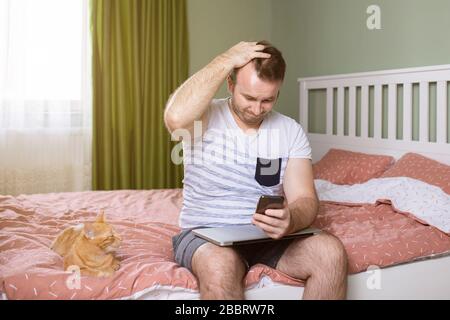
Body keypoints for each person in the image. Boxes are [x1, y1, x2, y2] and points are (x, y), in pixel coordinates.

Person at [164, 41, 348, 300]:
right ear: (231, 84)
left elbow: (305, 199)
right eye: (249, 97)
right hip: (206, 235)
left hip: (265, 238)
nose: (256, 109)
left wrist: (291, 219)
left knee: (330, 252)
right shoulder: (204, 117)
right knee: (220, 266)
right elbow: (174, 119)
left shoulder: (289, 130)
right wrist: (226, 58)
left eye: (267, 100)